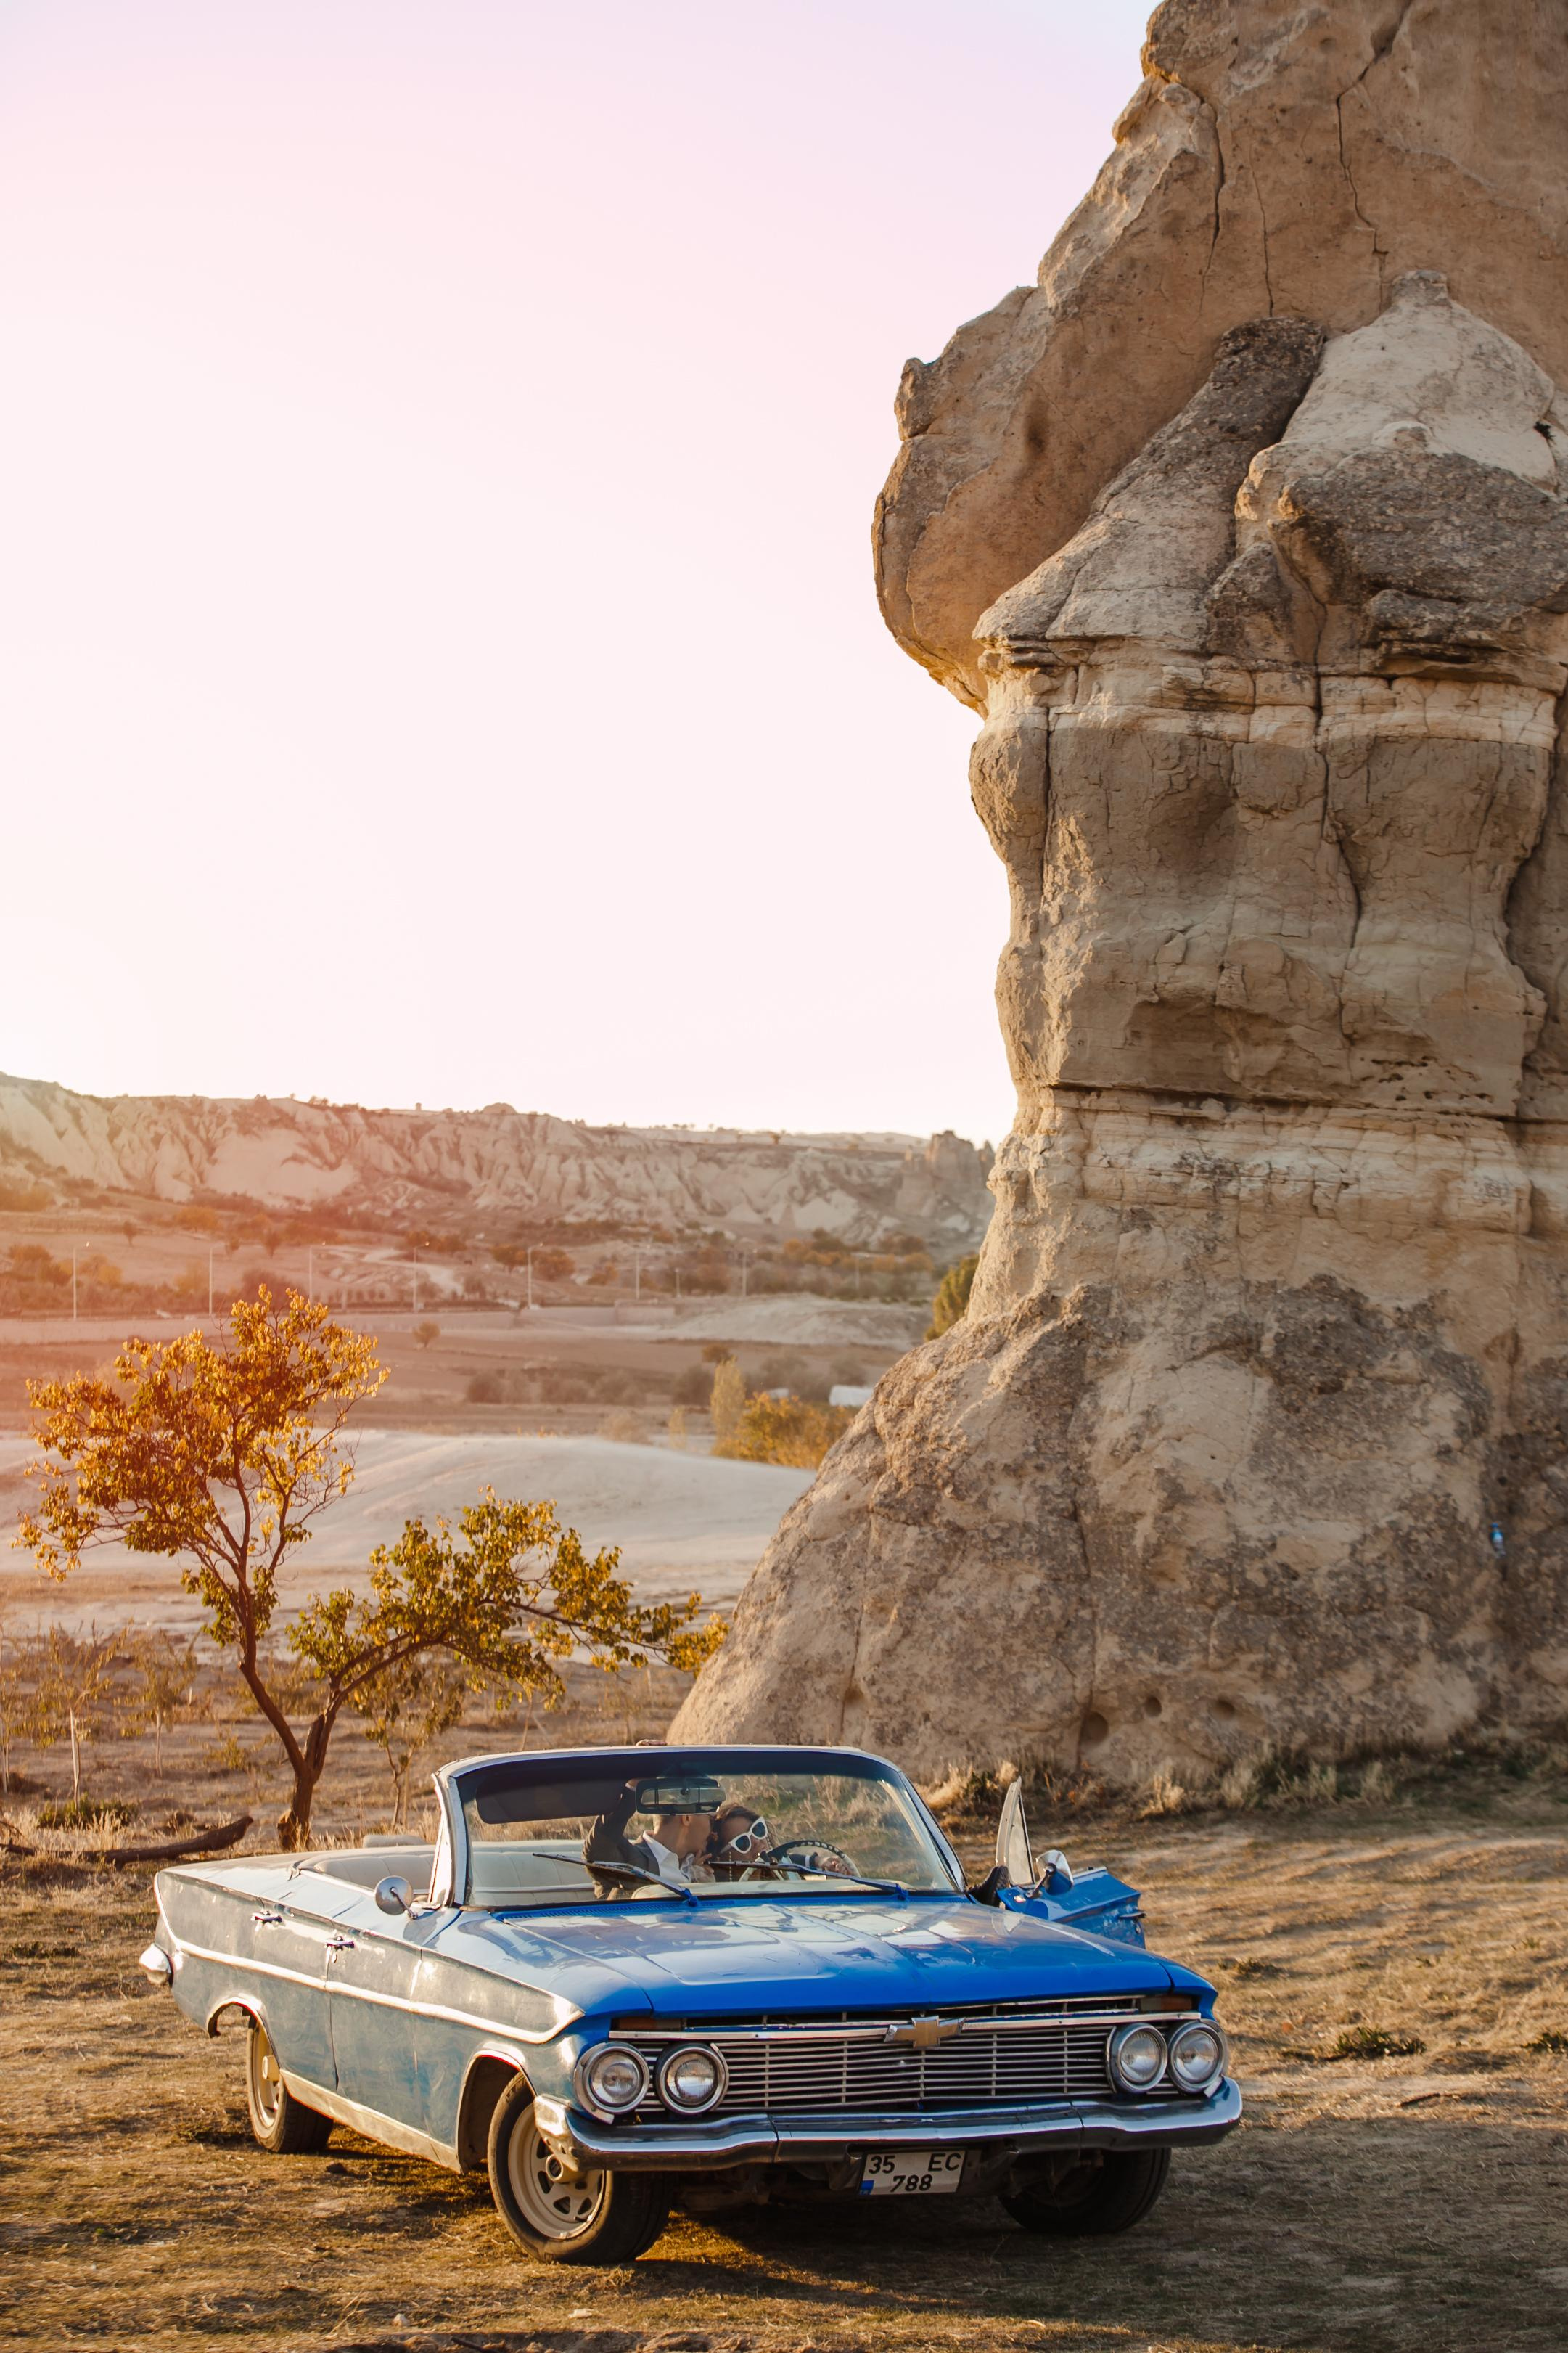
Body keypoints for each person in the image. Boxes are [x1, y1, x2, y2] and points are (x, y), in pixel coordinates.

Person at [583, 1785, 718, 1888]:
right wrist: (633, 1787)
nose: (714, 1833)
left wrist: (702, 1885)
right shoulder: (628, 1859)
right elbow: (596, 1855)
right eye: (711, 1821)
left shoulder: (698, 1866)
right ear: (687, 1818)